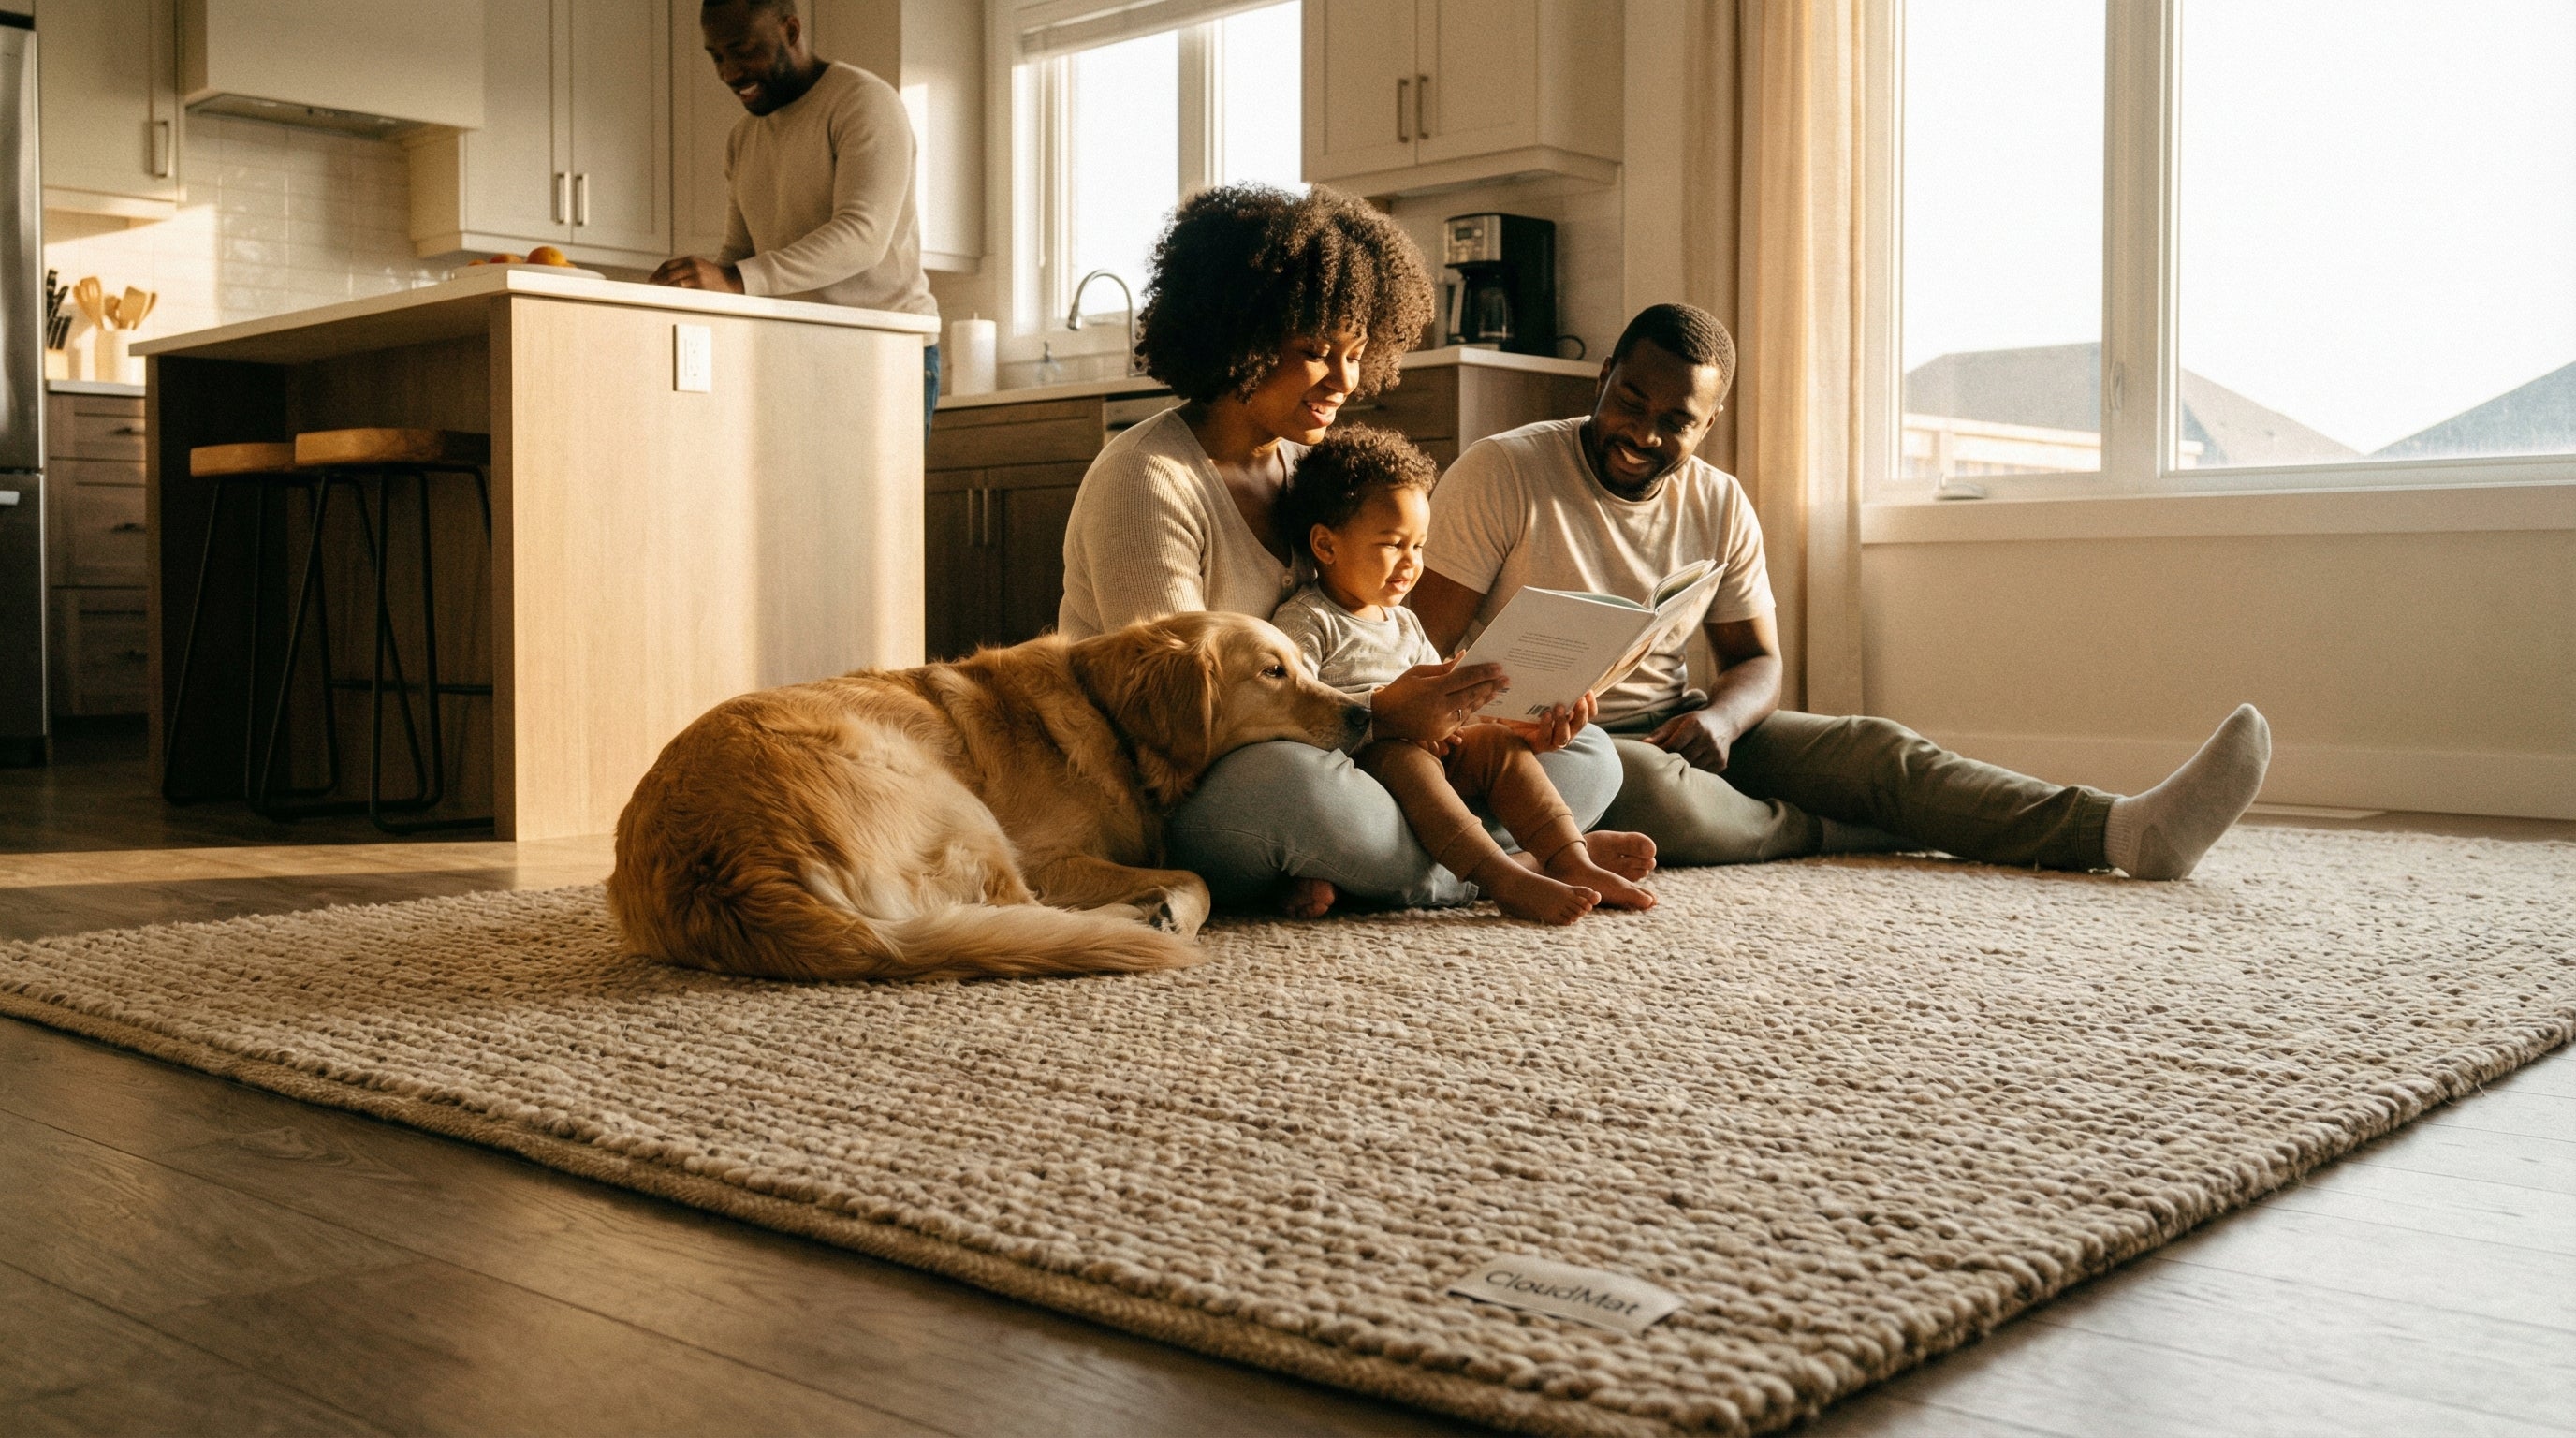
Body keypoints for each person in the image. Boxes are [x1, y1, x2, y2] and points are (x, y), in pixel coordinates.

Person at [1409, 302, 2273, 879]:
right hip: (1546, 742)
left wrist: (1720, 721)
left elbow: (1758, 663)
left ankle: (2121, 830)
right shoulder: (1505, 472)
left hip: (1683, 724)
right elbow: (1415, 648)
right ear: (1602, 379)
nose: (1642, 433)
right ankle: (1869, 831)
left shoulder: (1719, 500)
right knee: (1657, 791)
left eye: (1676, 422)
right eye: (1631, 401)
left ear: (1708, 426)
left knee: (1876, 749)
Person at [1056, 183, 1625, 917]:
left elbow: (1369, 642)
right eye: (1315, 353)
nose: (1346, 382)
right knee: (1290, 791)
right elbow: (1173, 722)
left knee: (1590, 756)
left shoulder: (1311, 471)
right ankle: (1505, 859)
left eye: (1356, 354)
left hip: (1342, 752)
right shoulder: (1147, 480)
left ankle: (1428, 863)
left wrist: (1487, 716)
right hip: (1186, 789)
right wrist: (1380, 715)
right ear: (1238, 336)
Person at [1268, 426, 1659, 923]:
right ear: (1325, 546)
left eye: (1420, 546)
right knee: (1404, 758)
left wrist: (1500, 723)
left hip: (1440, 762)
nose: (1412, 564)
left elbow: (1447, 701)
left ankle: (1570, 858)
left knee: (1500, 748)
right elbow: (1300, 711)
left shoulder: (1406, 622)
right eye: (1393, 545)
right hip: (1369, 769)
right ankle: (1504, 877)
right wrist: (1395, 724)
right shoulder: (1307, 620)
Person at [651, 0, 940, 433]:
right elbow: (739, 254)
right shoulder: (743, 137)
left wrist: (732, 279)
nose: (728, 73)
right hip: (795, 349)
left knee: (871, 503)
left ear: (790, 30)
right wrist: (693, 290)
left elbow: (863, 235)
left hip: (887, 350)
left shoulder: (863, 102)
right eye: (717, 57)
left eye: (743, 50)